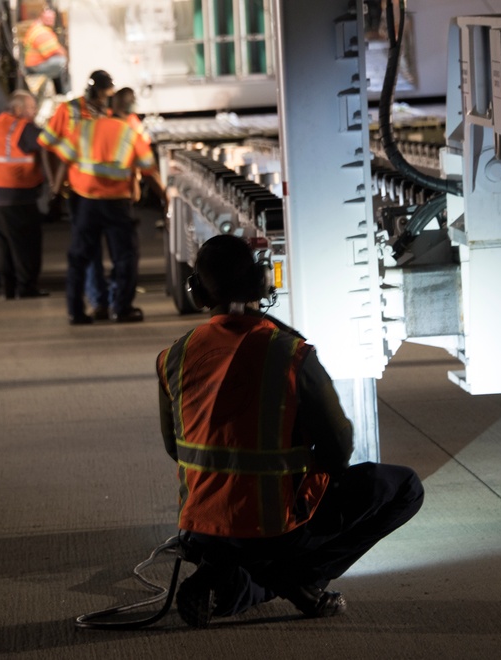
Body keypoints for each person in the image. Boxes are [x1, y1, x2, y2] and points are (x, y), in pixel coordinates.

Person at [156, 235, 425, 627]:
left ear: (196, 292)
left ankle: (226, 579)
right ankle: (292, 579)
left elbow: (173, 447)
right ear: (262, 283)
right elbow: (338, 450)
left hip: (202, 529)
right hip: (277, 529)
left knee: (239, 547)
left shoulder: (173, 356)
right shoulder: (291, 354)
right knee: (405, 488)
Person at [47, 87, 166, 325]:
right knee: (124, 257)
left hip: (85, 202)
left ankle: (76, 312)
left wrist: (56, 193)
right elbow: (149, 171)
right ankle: (121, 309)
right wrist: (165, 196)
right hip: (116, 204)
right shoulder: (130, 132)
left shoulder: (85, 128)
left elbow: (63, 161)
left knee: (80, 258)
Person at [39, 70, 116, 319]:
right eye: (104, 95)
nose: (106, 100)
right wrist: (54, 183)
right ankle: (99, 301)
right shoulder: (69, 110)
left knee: (118, 251)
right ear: (94, 91)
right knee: (89, 250)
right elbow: (46, 145)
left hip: (111, 192)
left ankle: (109, 300)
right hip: (79, 192)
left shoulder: (111, 112)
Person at [0, 90, 48, 299]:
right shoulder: (23, 128)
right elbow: (48, 141)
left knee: (4, 244)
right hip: (17, 195)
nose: (35, 111)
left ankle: (8, 288)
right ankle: (27, 287)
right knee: (26, 243)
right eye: (31, 107)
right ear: (18, 109)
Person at [21, 8, 68, 90]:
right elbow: (55, 51)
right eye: (48, 18)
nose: (50, 21)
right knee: (62, 61)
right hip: (34, 67)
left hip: (32, 64)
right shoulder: (42, 32)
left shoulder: (36, 28)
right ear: (41, 17)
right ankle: (64, 91)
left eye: (52, 18)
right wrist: (66, 56)